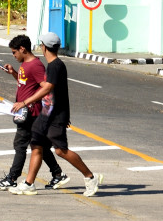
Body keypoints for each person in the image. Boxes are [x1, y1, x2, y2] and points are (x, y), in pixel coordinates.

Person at [10, 32, 103, 196]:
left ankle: (90, 177)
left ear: (44, 47)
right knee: (36, 144)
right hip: (46, 113)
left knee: (60, 150)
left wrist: (25, 102)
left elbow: (46, 88)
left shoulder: (55, 65)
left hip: (56, 115)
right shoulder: (52, 64)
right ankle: (28, 184)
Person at [0, 34, 67, 191]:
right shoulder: (25, 65)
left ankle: (12, 178)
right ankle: (58, 174)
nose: (14, 56)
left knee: (20, 144)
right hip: (25, 110)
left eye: (14, 52)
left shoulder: (36, 66)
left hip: (31, 113)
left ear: (22, 49)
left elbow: (45, 86)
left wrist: (28, 103)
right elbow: (25, 84)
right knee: (40, 146)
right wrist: (13, 73)